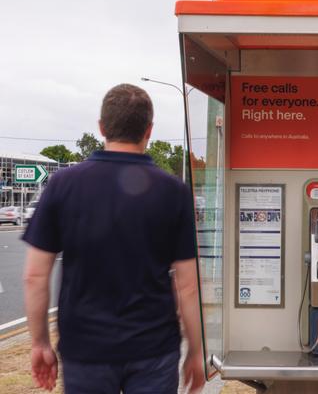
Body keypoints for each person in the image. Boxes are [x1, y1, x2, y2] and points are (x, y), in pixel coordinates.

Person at [22, 83, 205, 393]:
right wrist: (196, 352)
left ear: (102, 127)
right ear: (149, 130)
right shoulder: (173, 192)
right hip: (154, 351)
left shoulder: (63, 185)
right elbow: (187, 284)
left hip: (85, 351)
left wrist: (40, 342)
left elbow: (35, 276)